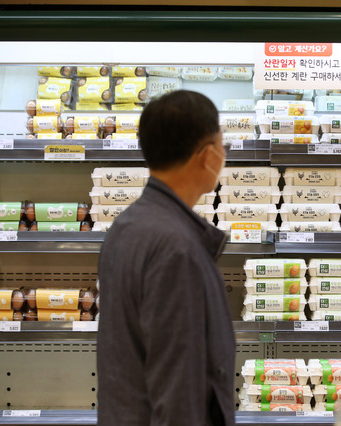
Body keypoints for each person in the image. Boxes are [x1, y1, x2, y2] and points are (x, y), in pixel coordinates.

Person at [97, 90, 235, 426]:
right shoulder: (177, 248)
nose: (224, 154)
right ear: (207, 155)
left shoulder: (127, 225)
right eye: (222, 145)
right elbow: (179, 389)